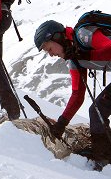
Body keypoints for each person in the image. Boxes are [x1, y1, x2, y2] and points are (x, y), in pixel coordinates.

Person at [34, 20, 111, 170]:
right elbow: (77, 94)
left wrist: (85, 54)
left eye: (49, 48)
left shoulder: (83, 35)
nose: (51, 55)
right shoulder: (74, 57)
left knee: (98, 109)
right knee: (96, 110)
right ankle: (103, 156)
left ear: (57, 37)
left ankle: (104, 158)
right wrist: (61, 123)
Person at [0, 90, 92, 161]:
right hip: (53, 139)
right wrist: (41, 124)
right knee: (92, 132)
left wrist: (39, 121)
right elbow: (16, 132)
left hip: (47, 132)